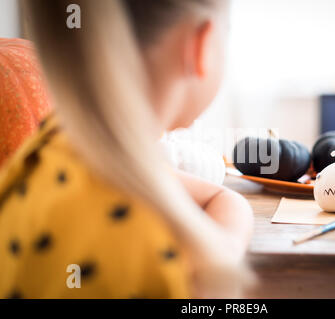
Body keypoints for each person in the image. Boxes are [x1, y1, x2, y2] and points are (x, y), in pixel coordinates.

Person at [0, 0, 253, 298]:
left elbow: (221, 197)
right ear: (203, 45)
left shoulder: (55, 144)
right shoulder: (149, 261)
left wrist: (221, 251)